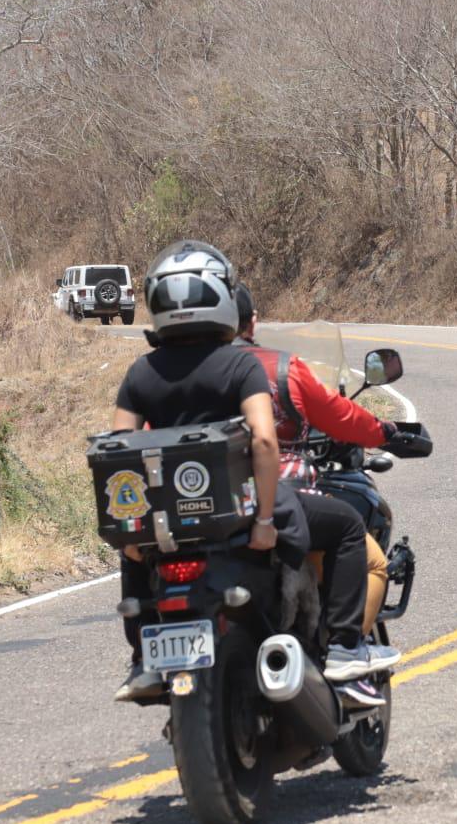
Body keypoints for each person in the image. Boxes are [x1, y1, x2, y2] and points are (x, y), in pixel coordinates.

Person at [108, 242, 389, 704]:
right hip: (239, 510)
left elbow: (120, 456)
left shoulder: (140, 374)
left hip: (174, 516)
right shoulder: (242, 364)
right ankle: (343, 649)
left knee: (139, 547)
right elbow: (263, 441)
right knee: (346, 527)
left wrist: (131, 538)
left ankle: (142, 655)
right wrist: (262, 520)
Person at [232, 284, 402, 678]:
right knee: (370, 557)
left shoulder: (186, 373)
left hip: (212, 509)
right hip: (282, 499)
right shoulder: (279, 368)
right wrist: (383, 431)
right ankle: (346, 650)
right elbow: (341, 416)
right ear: (252, 321)